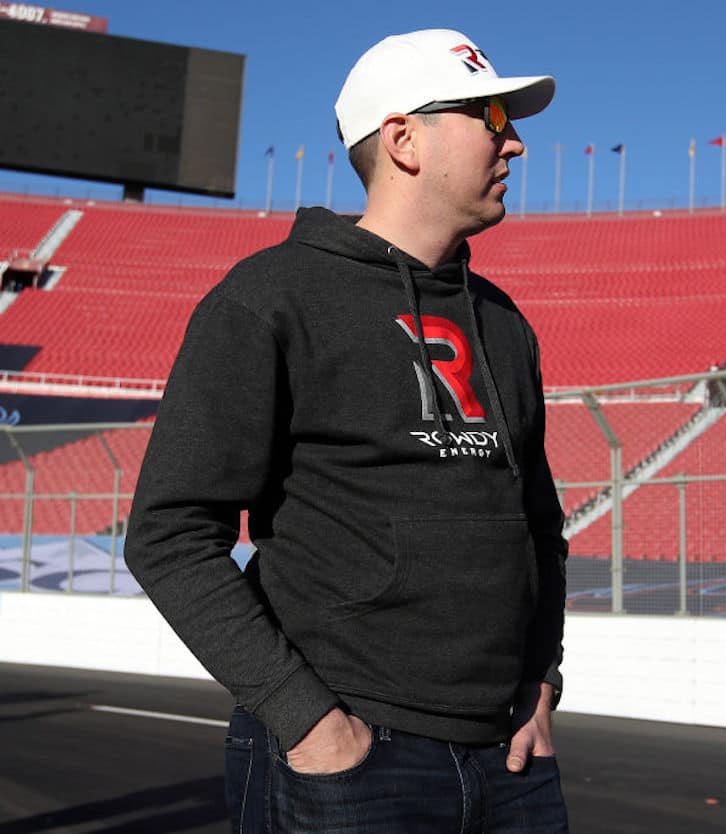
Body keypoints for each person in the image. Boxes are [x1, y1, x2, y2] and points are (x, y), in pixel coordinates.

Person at [124, 28, 569, 833]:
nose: (516, 140)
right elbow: (168, 533)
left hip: (512, 762)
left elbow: (541, 529)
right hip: (352, 760)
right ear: (403, 138)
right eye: (490, 114)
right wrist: (309, 723)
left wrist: (543, 685)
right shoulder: (269, 298)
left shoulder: (504, 324)